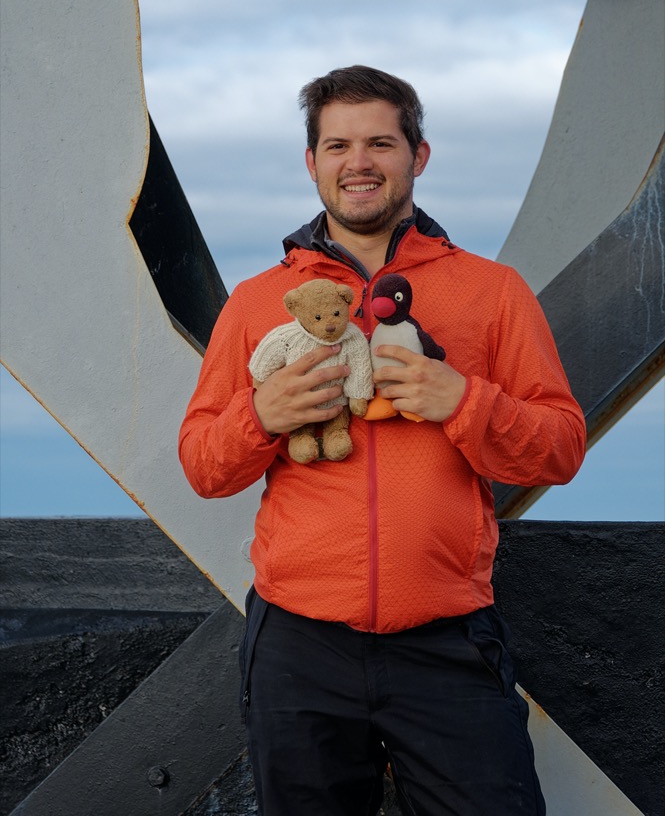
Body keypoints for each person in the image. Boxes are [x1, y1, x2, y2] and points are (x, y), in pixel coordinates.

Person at [178, 65, 586, 816]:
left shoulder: (492, 292)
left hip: (450, 639)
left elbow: (558, 449)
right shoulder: (256, 302)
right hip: (298, 645)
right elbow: (203, 465)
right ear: (312, 163)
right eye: (336, 145)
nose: (357, 162)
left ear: (416, 156)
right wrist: (261, 416)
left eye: (379, 142)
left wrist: (465, 400)